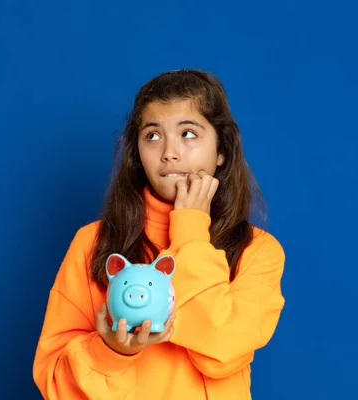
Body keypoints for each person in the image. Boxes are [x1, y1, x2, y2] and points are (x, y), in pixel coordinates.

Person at [32, 69, 286, 399]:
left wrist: (191, 228)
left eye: (189, 134)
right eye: (153, 135)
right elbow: (53, 381)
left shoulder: (258, 251)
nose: (170, 152)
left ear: (221, 150)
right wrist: (110, 350)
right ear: (137, 152)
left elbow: (222, 349)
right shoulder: (92, 243)